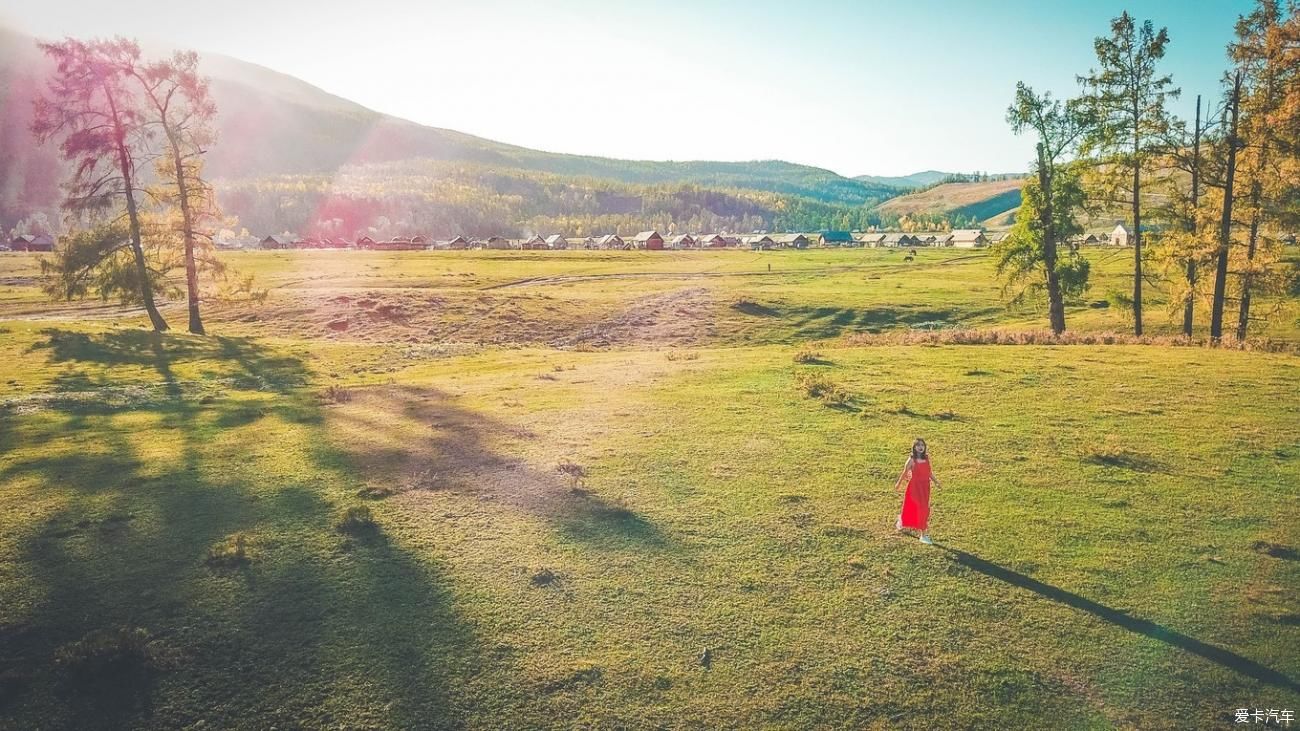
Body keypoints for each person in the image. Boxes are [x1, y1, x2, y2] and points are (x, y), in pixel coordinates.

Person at [894, 438, 942, 544]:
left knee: (917, 508)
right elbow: (904, 473)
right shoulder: (911, 460)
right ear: (914, 447)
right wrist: (898, 483)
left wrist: (936, 482)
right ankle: (923, 535)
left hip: (925, 488)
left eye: (922, 445)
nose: (920, 447)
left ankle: (902, 521)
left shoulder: (927, 458)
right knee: (922, 509)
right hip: (915, 488)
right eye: (918, 445)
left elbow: (929, 473)